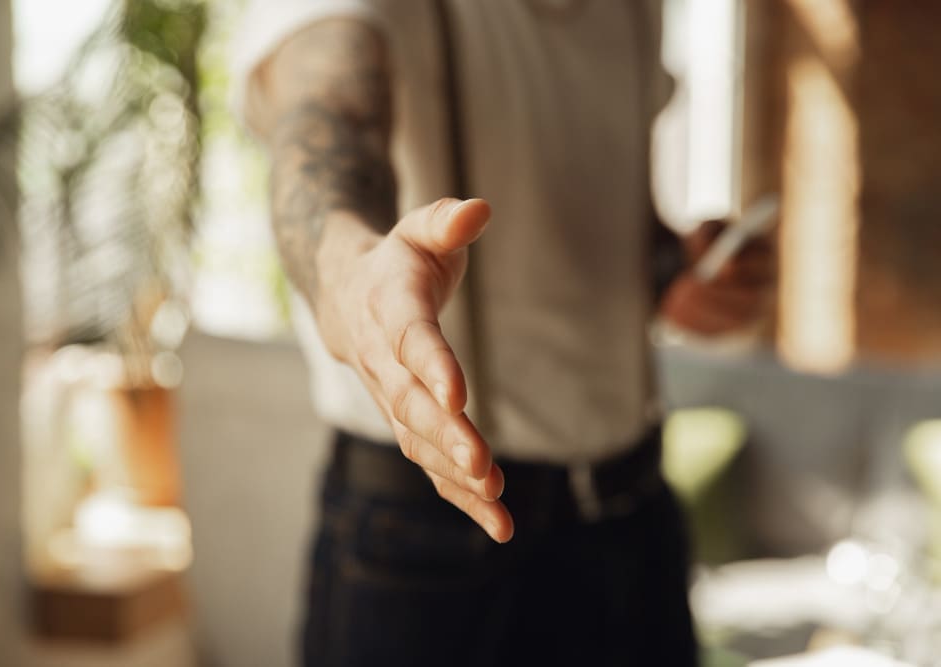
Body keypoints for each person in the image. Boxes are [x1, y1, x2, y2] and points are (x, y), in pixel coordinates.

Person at [234, 1, 774, 665]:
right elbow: (326, 117)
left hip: (634, 522)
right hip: (428, 541)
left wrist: (682, 272)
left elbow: (606, 220)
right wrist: (348, 269)